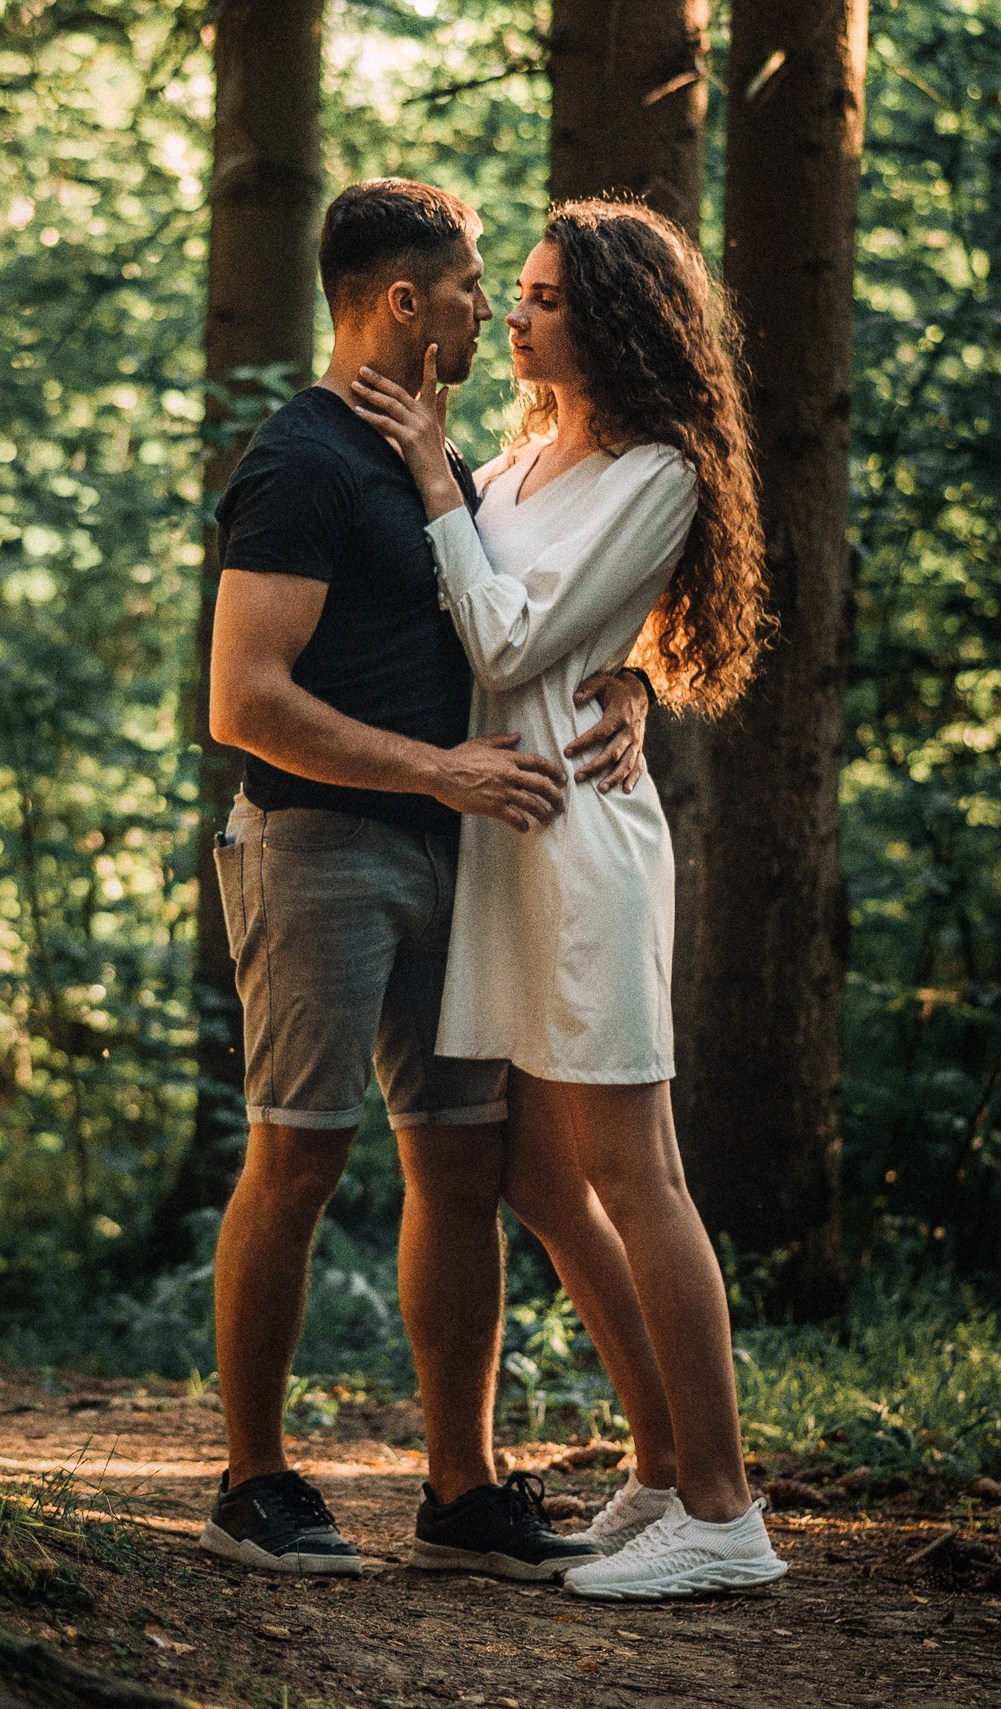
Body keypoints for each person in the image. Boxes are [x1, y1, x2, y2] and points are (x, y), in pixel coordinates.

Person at [198, 178, 654, 1583]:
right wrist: (440, 771)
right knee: (300, 1149)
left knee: (461, 1163)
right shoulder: (305, 462)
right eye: (472, 286)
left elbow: (537, 615)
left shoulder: (458, 456)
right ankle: (255, 1478)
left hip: (463, 861)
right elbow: (244, 700)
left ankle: (461, 1488)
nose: (492, 308)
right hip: (318, 848)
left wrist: (633, 681)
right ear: (405, 301)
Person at [344, 197, 785, 1600]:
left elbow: (509, 629)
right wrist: (631, 671)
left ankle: (725, 1515)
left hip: (579, 834)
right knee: (538, 1172)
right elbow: (525, 636)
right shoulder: (529, 452)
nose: (511, 314)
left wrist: (429, 480)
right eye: (513, 291)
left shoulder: (659, 468)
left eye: (536, 297)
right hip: (498, 840)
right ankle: (658, 1467)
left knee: (635, 1172)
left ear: (605, 318)